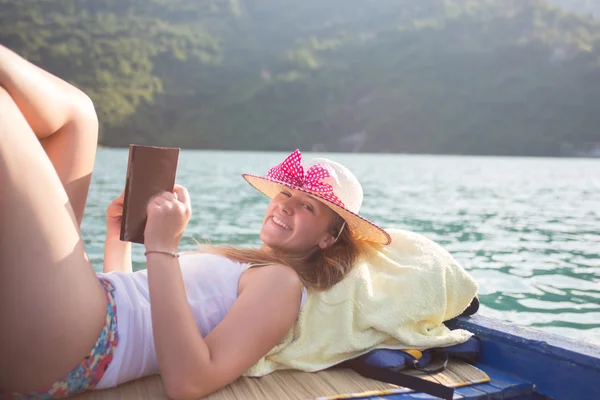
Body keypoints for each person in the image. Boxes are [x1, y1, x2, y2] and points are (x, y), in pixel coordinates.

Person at [0, 45, 390, 400]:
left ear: (326, 239)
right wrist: (118, 236)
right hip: (88, 318)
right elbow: (140, 304)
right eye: (286, 195)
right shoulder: (251, 265)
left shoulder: (283, 282)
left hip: (81, 341)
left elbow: (190, 382)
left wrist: (163, 248)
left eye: (308, 207)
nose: (286, 206)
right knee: (78, 116)